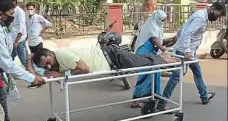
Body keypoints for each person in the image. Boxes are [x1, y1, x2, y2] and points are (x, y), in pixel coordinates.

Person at [157, 2, 227, 111]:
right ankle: (162, 103)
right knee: (176, 77)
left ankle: (204, 96)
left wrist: (177, 36)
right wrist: (187, 51)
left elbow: (185, 27)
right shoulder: (200, 18)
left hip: (190, 50)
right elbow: (188, 33)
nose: (216, 18)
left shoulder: (200, 15)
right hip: (184, 51)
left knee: (197, 72)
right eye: (217, 15)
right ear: (212, 9)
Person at [27, 45, 180, 78]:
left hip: (112, 56)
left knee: (144, 62)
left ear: (50, 53)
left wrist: (62, 74)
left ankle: (166, 58)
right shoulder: (54, 64)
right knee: (142, 62)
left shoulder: (60, 55)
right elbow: (37, 78)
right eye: (44, 66)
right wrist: (29, 62)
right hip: (110, 59)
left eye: (47, 61)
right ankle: (164, 59)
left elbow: (85, 69)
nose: (48, 66)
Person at [131, 10, 168, 108]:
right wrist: (163, 49)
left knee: (155, 73)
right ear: (157, 18)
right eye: (162, 20)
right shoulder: (151, 25)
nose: (163, 22)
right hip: (144, 52)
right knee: (144, 76)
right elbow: (154, 39)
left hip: (150, 53)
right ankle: (136, 98)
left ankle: (153, 96)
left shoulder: (155, 26)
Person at [6, 0, 27, 67]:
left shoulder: (20, 12)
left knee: (24, 60)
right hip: (11, 40)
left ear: (14, 2)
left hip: (19, 41)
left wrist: (16, 42)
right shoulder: (10, 11)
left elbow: (21, 28)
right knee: (8, 59)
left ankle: (35, 75)